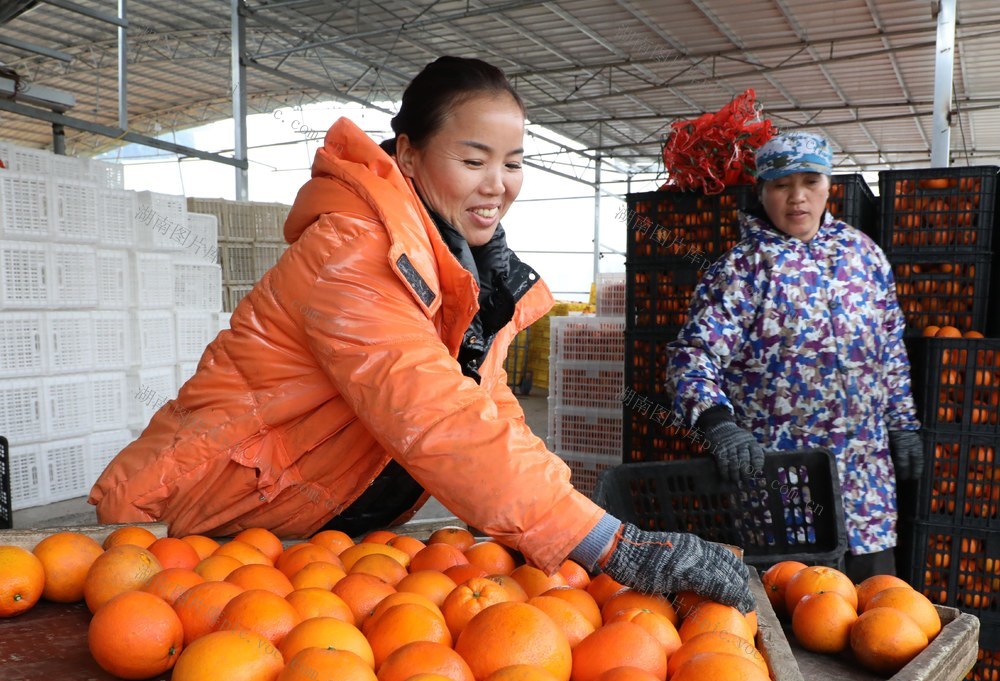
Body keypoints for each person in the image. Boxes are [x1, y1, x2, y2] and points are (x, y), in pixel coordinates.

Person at [90, 56, 754, 612]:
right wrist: (613, 544)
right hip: (179, 534)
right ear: (408, 153)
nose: (498, 185)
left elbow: (486, 409)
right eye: (473, 160)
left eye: (514, 162)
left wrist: (558, 520)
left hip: (300, 547)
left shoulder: (467, 272)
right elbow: (432, 413)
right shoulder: (351, 253)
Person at [666, 130, 923, 582]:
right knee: (796, 617)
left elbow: (891, 350)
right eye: (782, 184)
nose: (797, 197)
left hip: (867, 485)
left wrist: (902, 425)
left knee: (879, 616)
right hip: (786, 488)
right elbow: (693, 355)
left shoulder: (865, 257)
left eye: (810, 182)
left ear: (829, 186)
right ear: (762, 191)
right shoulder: (742, 270)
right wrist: (718, 423)